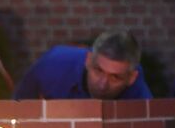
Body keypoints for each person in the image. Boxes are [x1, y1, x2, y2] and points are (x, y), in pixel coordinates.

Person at [13, 28, 152, 101]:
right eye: (98, 71)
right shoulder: (52, 67)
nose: (103, 84)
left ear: (131, 78)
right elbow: (15, 111)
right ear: (88, 59)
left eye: (115, 78)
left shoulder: (138, 95)